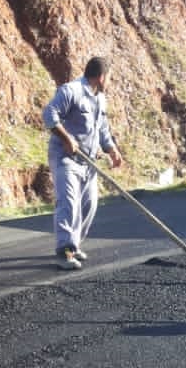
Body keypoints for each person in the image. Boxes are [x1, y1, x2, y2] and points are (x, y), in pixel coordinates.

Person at [42, 57, 124, 270]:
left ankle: (74, 243)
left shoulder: (100, 98)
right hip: (65, 158)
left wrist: (111, 149)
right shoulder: (71, 91)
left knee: (89, 205)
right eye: (109, 78)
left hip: (88, 162)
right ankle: (65, 252)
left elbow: (102, 128)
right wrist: (66, 138)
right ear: (102, 77)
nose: (109, 82)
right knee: (69, 204)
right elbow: (49, 114)